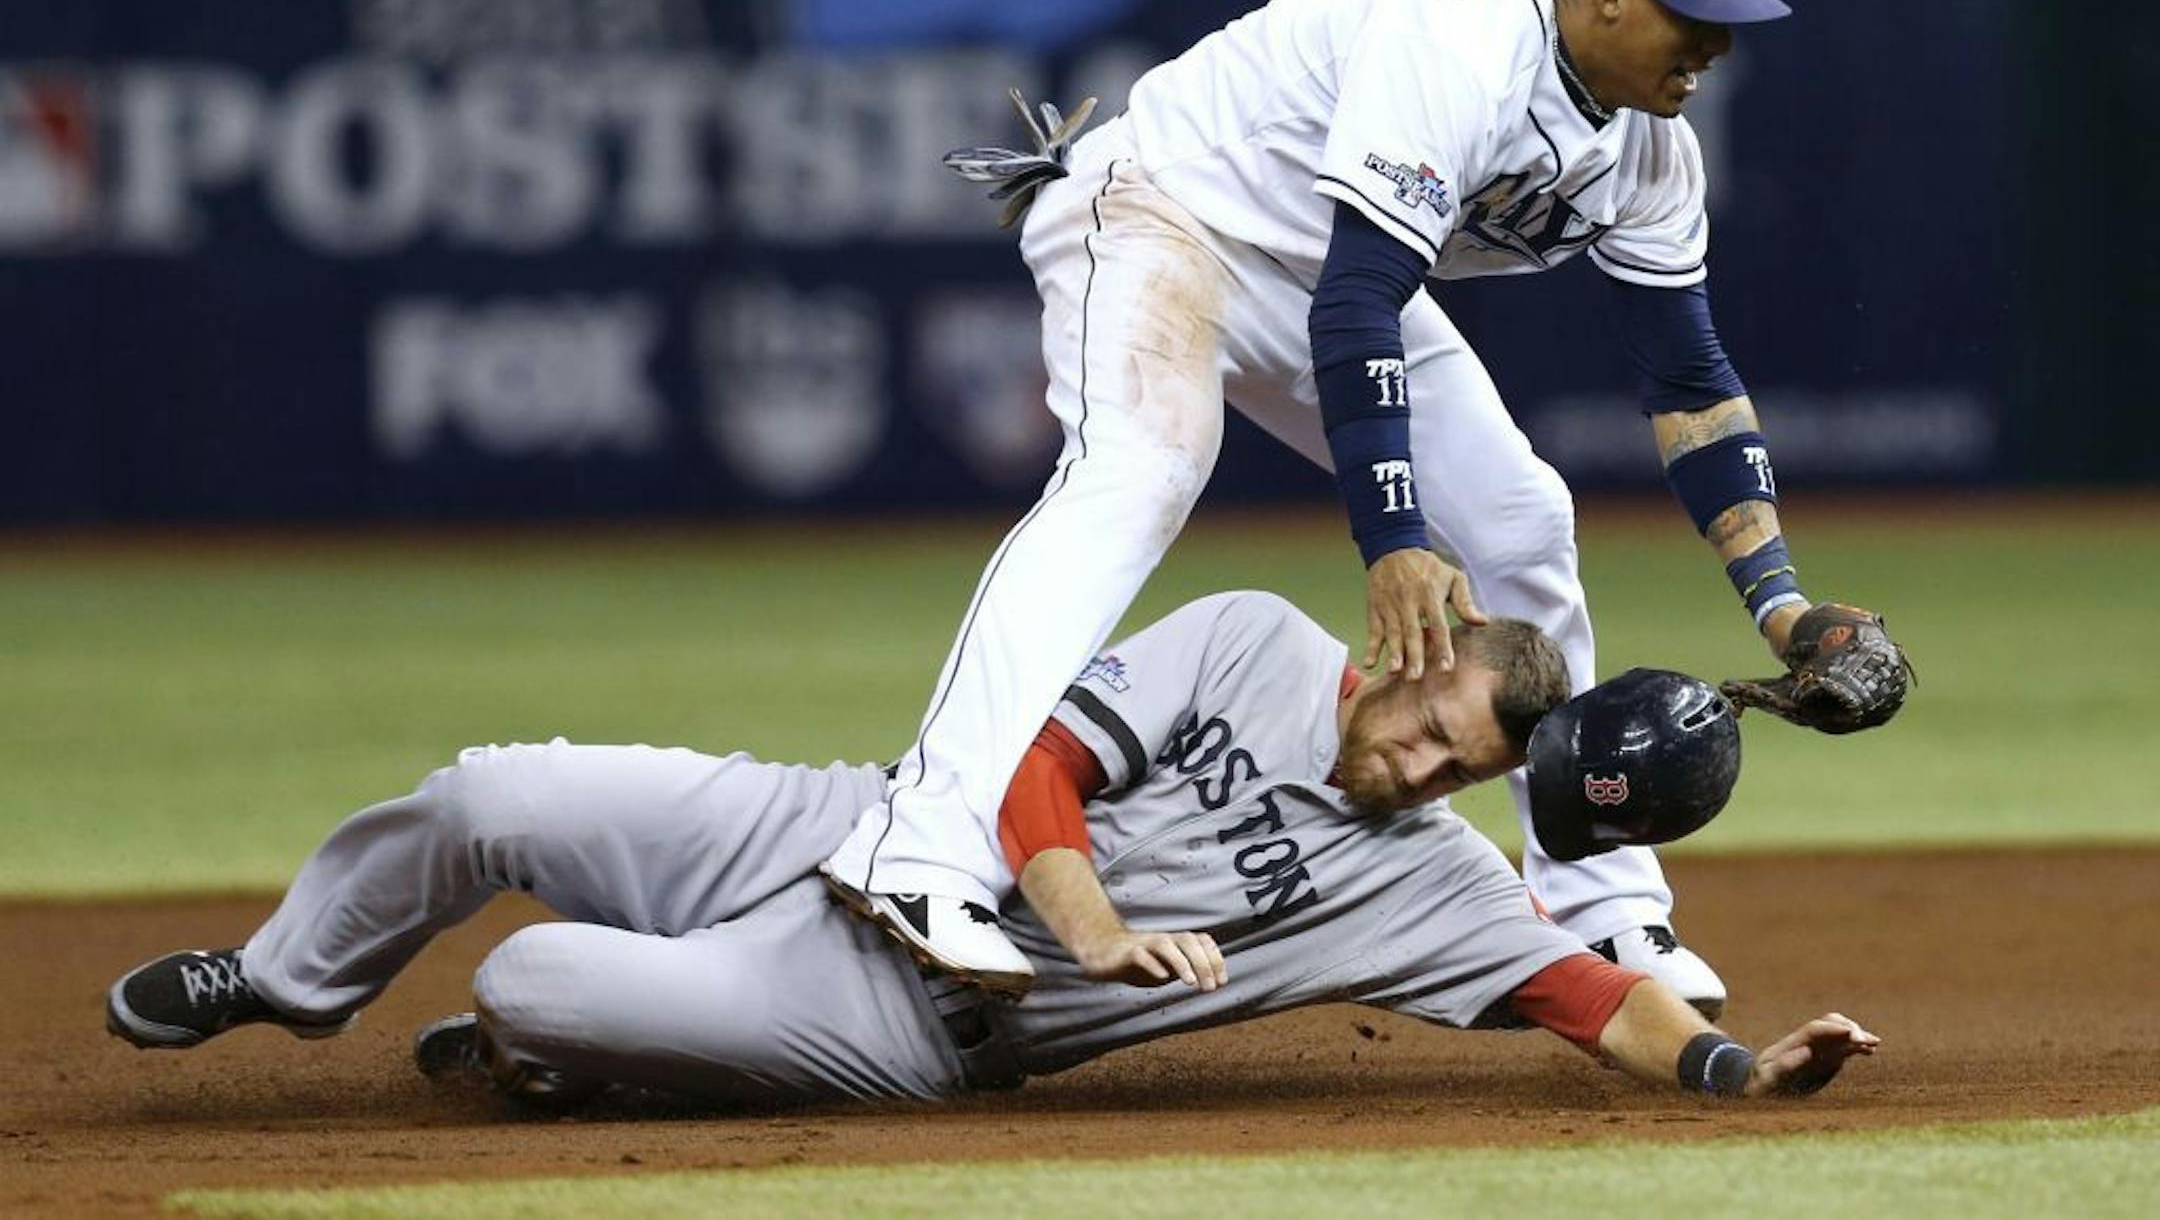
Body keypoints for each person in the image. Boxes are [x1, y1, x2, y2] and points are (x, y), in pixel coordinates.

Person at [819, 0, 1893, 1014]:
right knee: (1140, 474)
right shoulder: (1459, 55)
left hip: (1312, 266)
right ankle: (919, 843)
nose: (1716, 45)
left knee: (1521, 519)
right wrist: (1393, 540)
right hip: (1162, 206)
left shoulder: (1650, 152)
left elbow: (1687, 380)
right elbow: (1359, 307)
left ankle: (1600, 905)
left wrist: (1778, 602)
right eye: (1695, 13)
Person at [106, 591, 1877, 1109]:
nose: (1421, 773)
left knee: (527, 977)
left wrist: (1731, 1066)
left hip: (905, 1018)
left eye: (1460, 772)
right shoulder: (1257, 641)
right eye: (1425, 731)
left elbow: (1591, 995)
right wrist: (1089, 909)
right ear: (1404, 659)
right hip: (851, 824)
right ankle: (284, 978)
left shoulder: (1432, 883)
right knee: (499, 787)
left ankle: (574, 1051)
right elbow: (1037, 754)